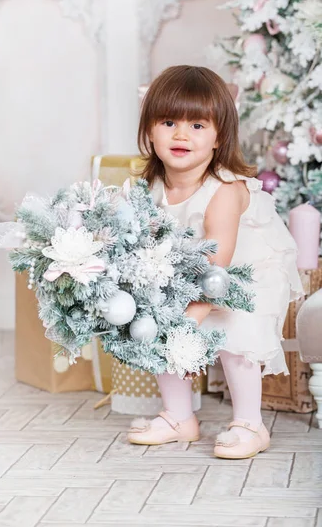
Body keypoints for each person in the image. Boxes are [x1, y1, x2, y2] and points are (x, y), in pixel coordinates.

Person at [127, 65, 303, 459]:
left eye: (197, 125)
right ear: (149, 129)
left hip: (243, 273)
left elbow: (217, 270)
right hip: (188, 272)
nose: (180, 134)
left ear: (219, 135)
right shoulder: (150, 186)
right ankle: (179, 415)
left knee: (237, 337)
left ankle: (249, 423)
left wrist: (193, 319)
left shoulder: (224, 190)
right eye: (168, 121)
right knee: (160, 325)